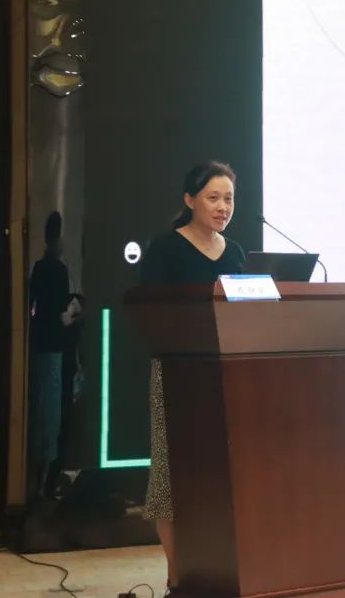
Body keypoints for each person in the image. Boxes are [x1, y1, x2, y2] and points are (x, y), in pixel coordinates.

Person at [139, 160, 245, 588]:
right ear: (189, 200)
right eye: (213, 197)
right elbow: (150, 314)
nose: (223, 207)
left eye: (229, 199)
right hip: (177, 376)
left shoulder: (235, 253)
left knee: (222, 481)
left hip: (228, 378)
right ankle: (177, 579)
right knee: (172, 480)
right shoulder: (165, 249)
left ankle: (222, 575)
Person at [28, 211, 80, 501]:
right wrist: (75, 315)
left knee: (39, 408)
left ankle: (36, 477)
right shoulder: (59, 270)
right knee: (52, 413)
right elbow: (63, 314)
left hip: (38, 342)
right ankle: (47, 480)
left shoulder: (38, 267)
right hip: (55, 346)